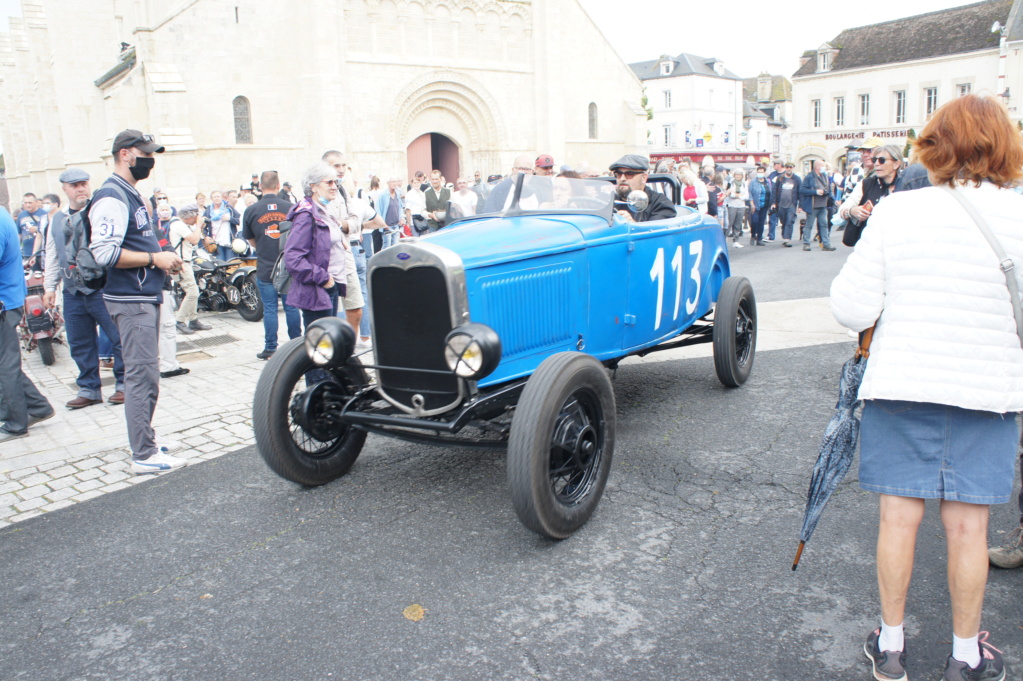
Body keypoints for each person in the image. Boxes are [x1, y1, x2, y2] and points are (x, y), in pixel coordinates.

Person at [830, 94, 1023, 681]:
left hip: (905, 382)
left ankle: (891, 647)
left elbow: (850, 306)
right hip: (988, 393)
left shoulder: (897, 212)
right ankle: (965, 655)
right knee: (970, 529)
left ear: (933, 147)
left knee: (898, 518)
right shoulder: (1019, 215)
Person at [89, 129, 186, 474]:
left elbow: (138, 241)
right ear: (126, 154)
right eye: (144, 153)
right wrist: (152, 260)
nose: (150, 159)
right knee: (141, 376)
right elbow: (103, 252)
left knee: (146, 375)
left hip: (142, 295)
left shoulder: (130, 193)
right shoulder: (112, 195)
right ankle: (144, 454)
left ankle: (145, 439)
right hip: (131, 300)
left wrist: (161, 256)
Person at [42, 168, 126, 408]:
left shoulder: (99, 211)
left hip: (102, 287)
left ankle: (123, 384)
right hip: (72, 290)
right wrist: (49, 286)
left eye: (83, 184)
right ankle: (89, 388)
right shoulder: (56, 220)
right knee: (79, 341)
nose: (80, 189)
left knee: (118, 336)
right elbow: (52, 253)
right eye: (74, 185)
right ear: (65, 189)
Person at [0, 204, 55, 441]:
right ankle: (38, 407)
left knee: (5, 365)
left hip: (3, 301)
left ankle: (15, 423)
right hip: (6, 299)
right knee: (5, 362)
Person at [242, 171, 300, 360]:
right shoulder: (291, 207)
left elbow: (250, 239)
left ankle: (270, 348)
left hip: (266, 264)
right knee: (291, 307)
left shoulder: (251, 210)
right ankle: (296, 346)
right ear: (278, 186)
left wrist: (264, 245)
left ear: (260, 187)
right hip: (288, 264)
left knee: (269, 308)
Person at [284, 162, 347, 330]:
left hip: (328, 287)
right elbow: (293, 258)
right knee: (321, 347)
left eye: (336, 182)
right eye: (329, 182)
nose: (335, 187)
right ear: (313, 187)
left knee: (329, 344)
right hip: (317, 290)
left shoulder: (322, 210)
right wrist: (323, 278)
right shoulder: (306, 215)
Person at [842, 143, 904, 247]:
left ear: (896, 164)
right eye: (875, 160)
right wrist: (852, 211)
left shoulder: (907, 185)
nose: (876, 164)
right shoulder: (866, 184)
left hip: (898, 245)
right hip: (869, 246)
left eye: (882, 160)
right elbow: (843, 209)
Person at [166, 203, 210, 335]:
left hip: (185, 261)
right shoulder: (178, 225)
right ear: (190, 216)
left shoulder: (182, 225)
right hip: (181, 263)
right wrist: (198, 226)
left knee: (192, 290)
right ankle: (179, 321)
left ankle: (193, 319)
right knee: (192, 292)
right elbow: (195, 240)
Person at [609, 154, 676, 223]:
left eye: (629, 174)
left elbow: (655, 232)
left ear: (644, 177)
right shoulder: (608, 202)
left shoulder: (660, 204)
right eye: (618, 174)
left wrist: (632, 225)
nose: (622, 178)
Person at [799, 160, 836, 251]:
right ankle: (806, 243)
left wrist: (831, 197)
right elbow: (802, 190)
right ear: (817, 167)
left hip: (823, 205)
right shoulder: (809, 177)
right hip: (813, 205)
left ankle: (826, 243)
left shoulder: (824, 176)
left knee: (824, 225)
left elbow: (828, 189)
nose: (824, 167)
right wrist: (815, 192)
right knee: (809, 225)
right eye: (822, 165)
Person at [770, 162, 801, 248]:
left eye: (791, 167)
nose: (789, 169)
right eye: (787, 167)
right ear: (785, 168)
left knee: (790, 221)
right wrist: (773, 203)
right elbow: (775, 191)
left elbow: (800, 193)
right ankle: (784, 235)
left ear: (793, 168)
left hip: (792, 204)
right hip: (781, 204)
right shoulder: (780, 178)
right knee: (783, 221)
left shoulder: (797, 179)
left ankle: (787, 239)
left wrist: (800, 206)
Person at [374, 177, 405, 251]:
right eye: (392, 182)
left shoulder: (397, 194)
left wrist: (402, 218)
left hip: (396, 225)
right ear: (388, 183)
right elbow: (378, 210)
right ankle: (384, 262)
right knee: (386, 247)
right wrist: (382, 224)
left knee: (396, 246)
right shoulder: (383, 195)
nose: (394, 184)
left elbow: (400, 207)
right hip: (387, 225)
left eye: (395, 181)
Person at [205, 191, 236, 262]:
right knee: (220, 263)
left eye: (218, 196)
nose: (217, 198)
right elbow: (203, 223)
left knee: (230, 263)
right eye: (214, 197)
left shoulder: (229, 208)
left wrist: (229, 218)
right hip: (216, 242)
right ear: (211, 199)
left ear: (221, 197)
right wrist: (206, 236)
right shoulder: (208, 210)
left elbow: (239, 220)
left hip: (229, 241)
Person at [748, 165, 772, 246]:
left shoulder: (768, 182)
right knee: (754, 221)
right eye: (759, 172)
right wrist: (752, 204)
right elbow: (750, 193)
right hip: (755, 204)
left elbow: (770, 192)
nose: (760, 173)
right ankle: (753, 235)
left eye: (762, 172)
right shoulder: (753, 182)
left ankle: (759, 238)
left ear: (764, 173)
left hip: (764, 205)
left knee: (761, 222)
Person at [724, 169, 748, 247]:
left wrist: (737, 195)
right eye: (736, 175)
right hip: (732, 205)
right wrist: (738, 195)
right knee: (729, 223)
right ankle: (724, 238)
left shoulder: (744, 183)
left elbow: (746, 196)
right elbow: (730, 194)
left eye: (739, 175)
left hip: (741, 205)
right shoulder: (731, 182)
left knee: (738, 223)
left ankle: (736, 240)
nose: (738, 176)